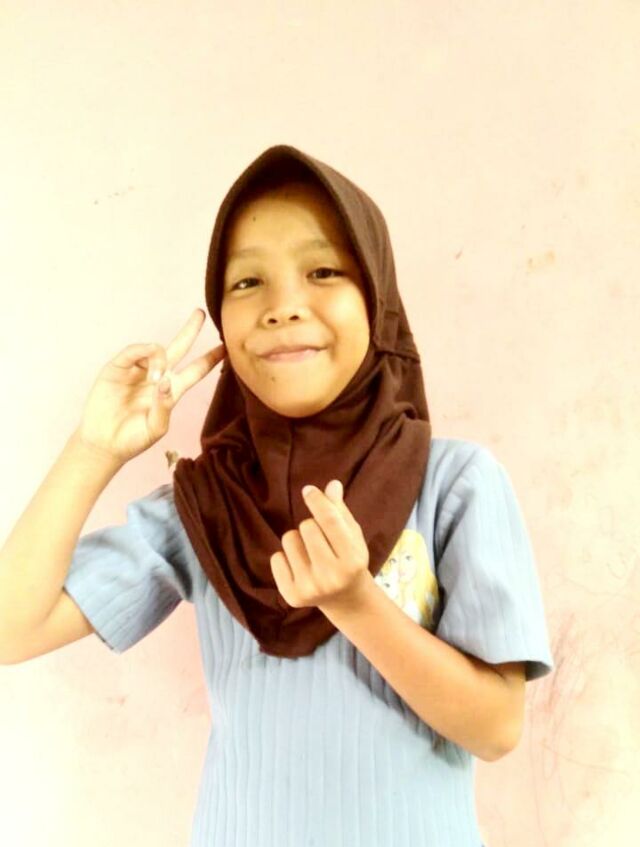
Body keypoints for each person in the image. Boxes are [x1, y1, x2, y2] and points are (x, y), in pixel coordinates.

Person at [0, 144, 555, 846]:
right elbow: (12, 628)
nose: (282, 307)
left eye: (323, 271)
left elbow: (497, 726)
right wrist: (95, 448)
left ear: (377, 297)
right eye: (247, 282)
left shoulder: (453, 483)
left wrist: (356, 604)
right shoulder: (207, 507)